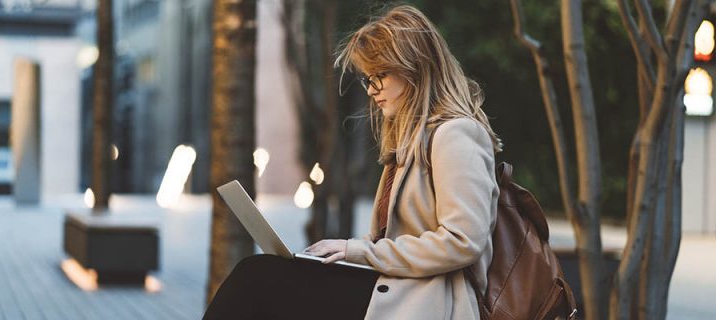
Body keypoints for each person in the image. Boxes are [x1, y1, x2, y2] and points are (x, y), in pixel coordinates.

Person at [203, 4, 501, 320]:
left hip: (432, 302)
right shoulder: (409, 142)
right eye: (368, 78)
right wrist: (347, 253)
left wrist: (356, 250)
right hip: (396, 289)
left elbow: (463, 241)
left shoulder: (457, 134)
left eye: (381, 75)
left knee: (258, 277)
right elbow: (392, 244)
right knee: (263, 276)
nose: (372, 89)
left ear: (416, 68)